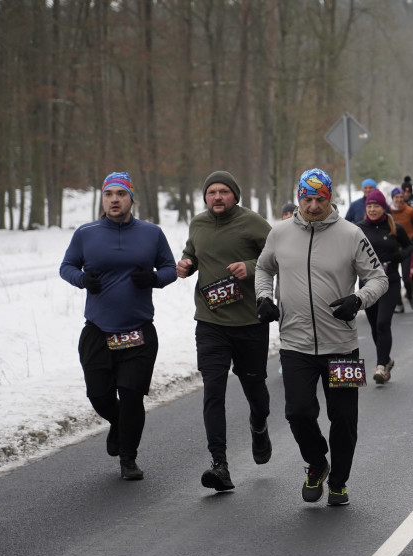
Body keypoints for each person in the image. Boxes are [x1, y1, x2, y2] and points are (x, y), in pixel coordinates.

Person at [254, 168, 388, 506]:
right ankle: (317, 463)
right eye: (307, 199)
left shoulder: (351, 234)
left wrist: (358, 299)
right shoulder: (280, 233)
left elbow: (379, 278)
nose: (313, 206)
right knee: (298, 412)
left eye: (320, 199)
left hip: (342, 344)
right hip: (295, 343)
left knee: (343, 419)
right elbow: (263, 268)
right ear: (299, 198)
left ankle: (339, 483)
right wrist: (264, 297)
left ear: (330, 199)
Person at [59, 171, 177, 481]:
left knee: (131, 395)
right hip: (98, 330)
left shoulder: (151, 233)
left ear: (131, 198)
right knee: (99, 396)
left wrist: (154, 279)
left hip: (138, 330)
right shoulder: (86, 233)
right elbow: (66, 267)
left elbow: (170, 268)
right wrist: (82, 279)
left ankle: (128, 459)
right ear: (103, 198)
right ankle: (119, 423)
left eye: (121, 194)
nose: (114, 199)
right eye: (109, 194)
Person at [176, 171, 274, 492]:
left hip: (248, 323)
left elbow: (278, 256)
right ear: (205, 197)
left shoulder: (252, 222)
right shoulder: (198, 224)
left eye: (224, 191)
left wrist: (250, 266)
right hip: (211, 322)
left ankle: (258, 425)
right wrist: (187, 264)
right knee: (213, 391)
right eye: (212, 192)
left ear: (235, 195)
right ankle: (220, 464)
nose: (217, 197)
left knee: (255, 390)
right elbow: (193, 252)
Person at [357, 189, 412, 383]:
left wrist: (399, 256)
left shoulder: (394, 227)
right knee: (374, 326)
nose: (372, 209)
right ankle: (386, 360)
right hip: (367, 284)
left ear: (383, 208)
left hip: (390, 282)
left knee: (382, 323)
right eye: (369, 206)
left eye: (376, 206)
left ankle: (380, 366)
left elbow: (409, 245)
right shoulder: (358, 229)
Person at [389, 187, 413, 312]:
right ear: (392, 198)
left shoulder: (409, 210)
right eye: (396, 197)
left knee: (406, 276)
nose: (399, 199)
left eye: (401, 197)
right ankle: (399, 303)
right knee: (393, 277)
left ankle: (410, 296)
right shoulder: (387, 212)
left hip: (406, 247)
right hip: (392, 249)